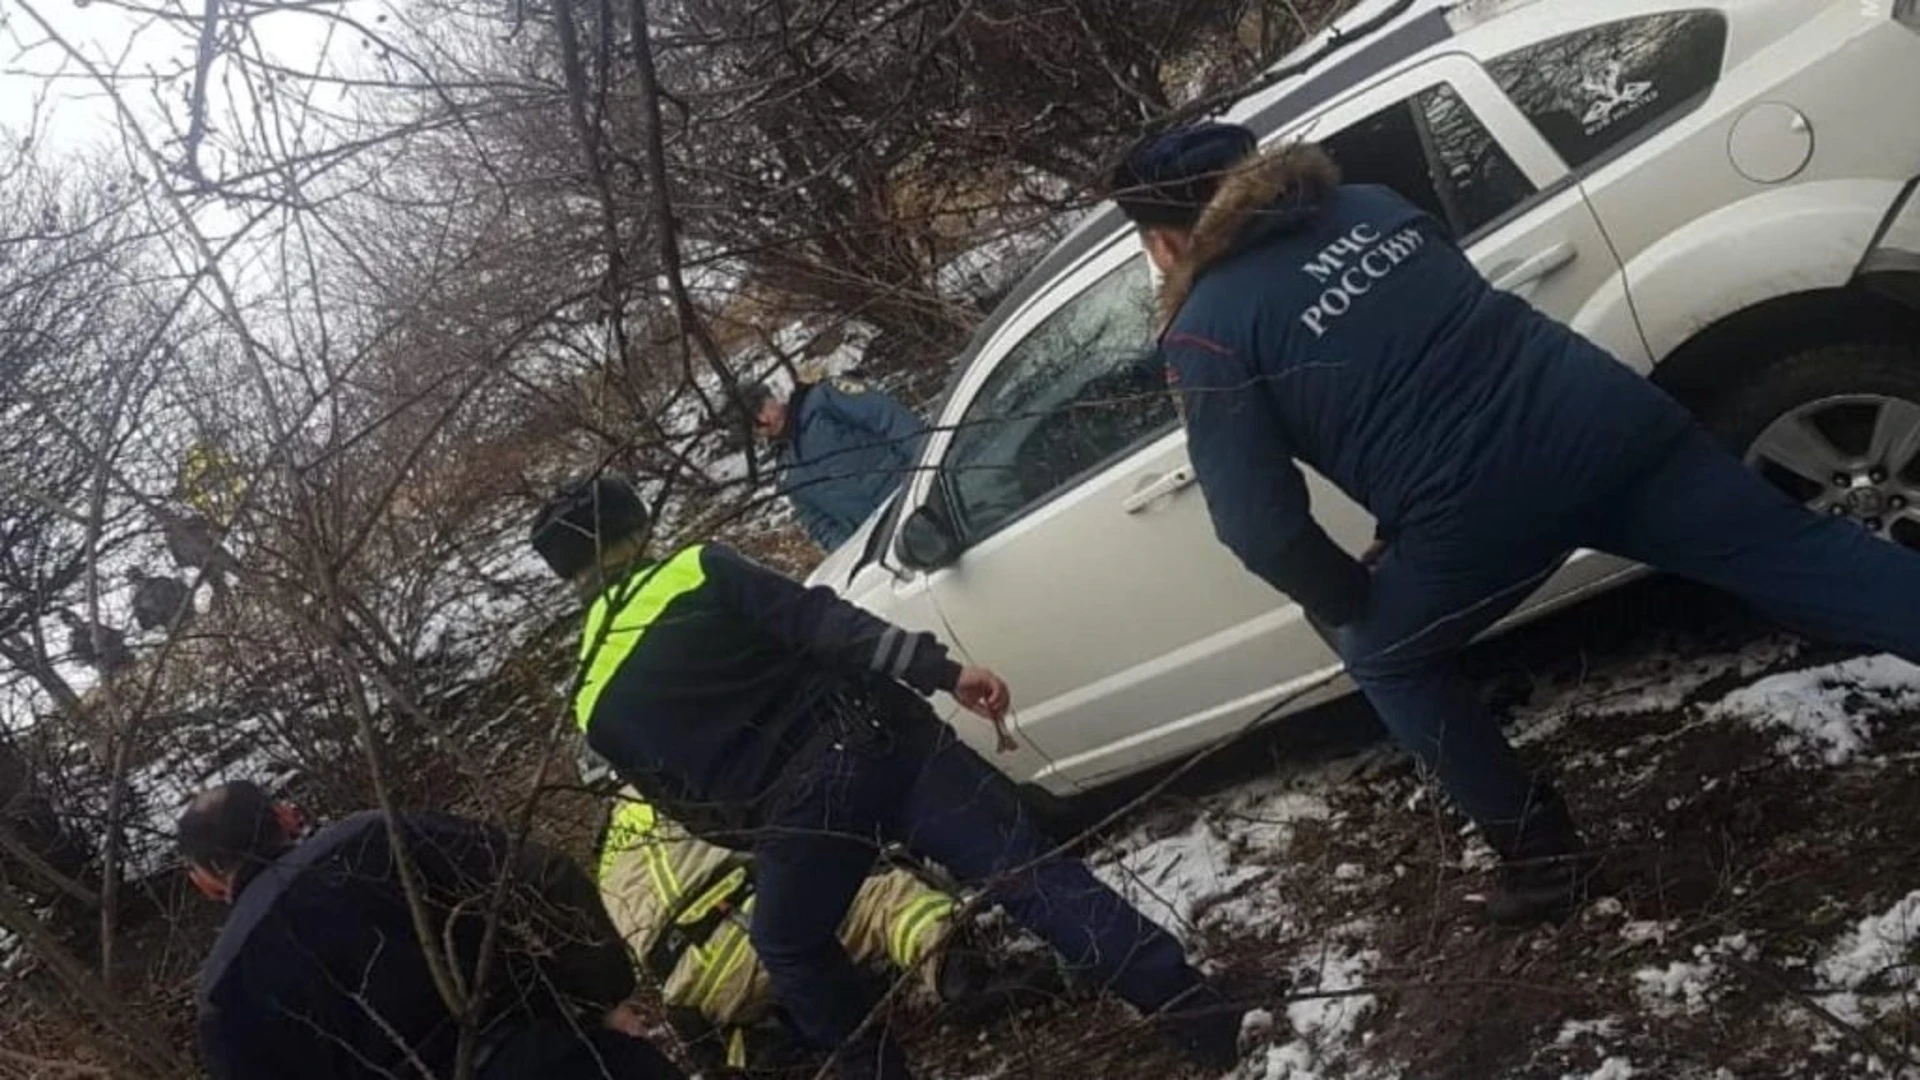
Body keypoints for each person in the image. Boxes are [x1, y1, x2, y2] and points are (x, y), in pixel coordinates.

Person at [1109, 122, 1920, 925]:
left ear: (1167, 240)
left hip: (1479, 511)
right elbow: (1435, 357)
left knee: (1385, 656)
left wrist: (1348, 595)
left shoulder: (1206, 328)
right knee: (1797, 551)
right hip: (1607, 420)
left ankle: (1544, 862)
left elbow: (1258, 523)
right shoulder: (1368, 205)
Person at [531, 475, 1241, 1080]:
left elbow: (686, 808)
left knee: (789, 944)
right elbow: (827, 624)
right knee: (1026, 874)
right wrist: (943, 671)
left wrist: (773, 831)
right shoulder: (694, 569)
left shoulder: (590, 697)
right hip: (882, 738)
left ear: (569, 577)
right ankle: (1198, 1015)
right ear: (636, 528)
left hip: (796, 813)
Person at [181, 780, 684, 1080]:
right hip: (547, 1054)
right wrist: (604, 996)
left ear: (204, 880)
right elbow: (544, 876)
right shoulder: (373, 836)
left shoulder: (222, 990)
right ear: (283, 817)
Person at [596, 787, 1066, 1074]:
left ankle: (759, 1049)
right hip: (749, 922)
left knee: (753, 987)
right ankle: (961, 978)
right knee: (888, 897)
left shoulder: (605, 865)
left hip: (697, 991)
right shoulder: (672, 776)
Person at [740, 375, 925, 551]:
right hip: (881, 540)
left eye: (764, 404)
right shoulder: (786, 471)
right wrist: (850, 550)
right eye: (757, 421)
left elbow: (890, 418)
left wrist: (928, 465)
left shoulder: (824, 399)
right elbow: (817, 523)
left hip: (915, 495)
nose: (767, 414)